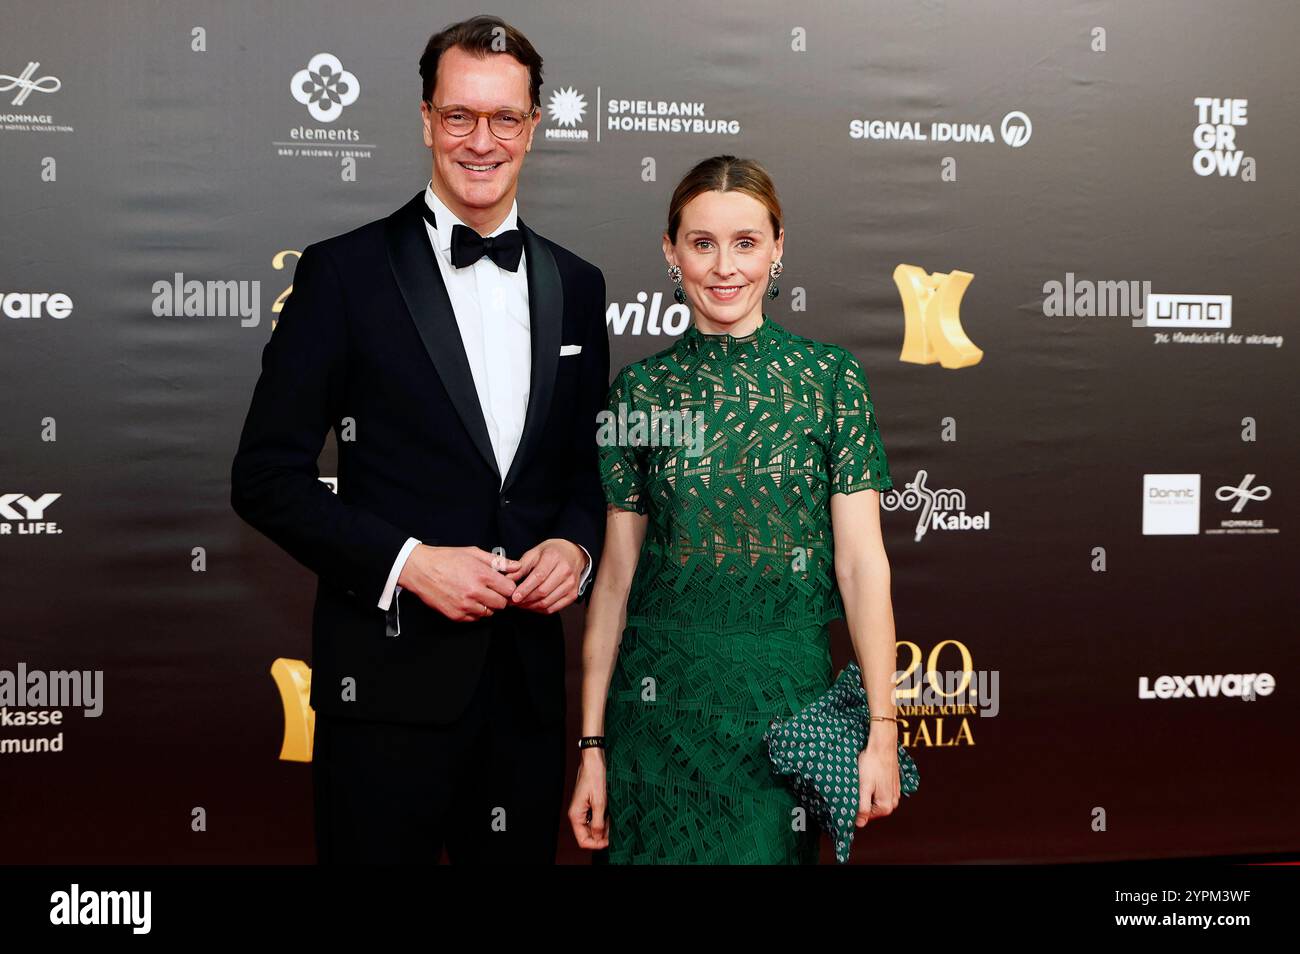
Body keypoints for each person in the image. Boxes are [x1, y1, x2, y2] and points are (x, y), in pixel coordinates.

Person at [230, 15, 609, 863]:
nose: (483, 140)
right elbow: (265, 477)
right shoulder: (343, 273)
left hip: (525, 699)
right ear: (426, 120)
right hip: (385, 693)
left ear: (535, 126)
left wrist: (576, 548)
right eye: (459, 116)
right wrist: (410, 563)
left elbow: (586, 473)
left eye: (505, 118)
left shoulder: (577, 285)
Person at [568, 155, 901, 864]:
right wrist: (593, 745)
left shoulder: (830, 381)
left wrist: (883, 728)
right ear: (671, 251)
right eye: (702, 242)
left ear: (779, 248)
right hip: (654, 721)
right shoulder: (640, 394)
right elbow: (617, 581)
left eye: (746, 242)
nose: (725, 267)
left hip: (780, 718)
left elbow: (861, 563)